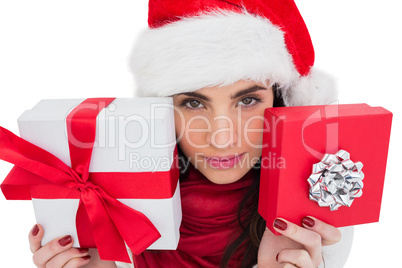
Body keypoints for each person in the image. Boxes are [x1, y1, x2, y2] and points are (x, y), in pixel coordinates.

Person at [28, 0, 354, 267]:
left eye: (248, 100)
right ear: (163, 109)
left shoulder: (315, 222)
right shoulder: (107, 207)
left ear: (282, 104)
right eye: (194, 102)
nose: (221, 138)